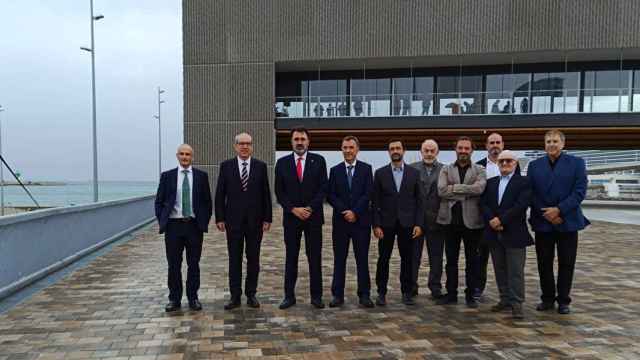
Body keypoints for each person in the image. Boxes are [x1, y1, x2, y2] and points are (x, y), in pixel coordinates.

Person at [528, 129, 589, 315]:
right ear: (544, 144)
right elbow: (531, 193)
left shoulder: (577, 164)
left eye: (555, 141)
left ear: (563, 144)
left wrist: (559, 210)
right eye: (548, 141)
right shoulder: (534, 165)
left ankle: (563, 300)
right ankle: (547, 298)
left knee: (566, 262)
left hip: (567, 220)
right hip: (543, 221)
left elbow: (579, 191)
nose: (551, 144)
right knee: (544, 263)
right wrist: (548, 213)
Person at [214, 132, 272, 310]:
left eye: (248, 143)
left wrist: (267, 218)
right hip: (233, 222)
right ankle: (235, 296)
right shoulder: (226, 166)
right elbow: (219, 194)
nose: (245, 146)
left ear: (252, 146)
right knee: (235, 259)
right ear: (235, 146)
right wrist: (220, 217)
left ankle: (251, 294)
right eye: (241, 143)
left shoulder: (260, 166)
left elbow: (266, 194)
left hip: (255, 222)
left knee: (253, 259)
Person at [275, 127, 328, 309]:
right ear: (291, 142)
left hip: (313, 218)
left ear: (308, 141)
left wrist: (309, 208)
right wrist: (293, 209)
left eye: (302, 139)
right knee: (291, 257)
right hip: (291, 219)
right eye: (296, 139)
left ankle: (316, 296)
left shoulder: (319, 161)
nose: (299, 142)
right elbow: (279, 192)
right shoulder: (282, 163)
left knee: (315, 258)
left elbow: (323, 189)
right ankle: (289, 296)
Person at [155, 144, 212, 312]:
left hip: (194, 226)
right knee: (174, 264)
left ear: (192, 157)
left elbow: (207, 202)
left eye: (188, 154)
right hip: (173, 226)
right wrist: (162, 219)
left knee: (193, 264)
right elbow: (159, 201)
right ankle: (174, 299)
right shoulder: (167, 176)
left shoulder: (202, 176)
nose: (185, 157)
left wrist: (204, 220)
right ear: (177, 156)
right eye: (182, 154)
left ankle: (193, 298)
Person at [480, 150, 533, 319]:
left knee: (516, 270)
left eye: (509, 161)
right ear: (497, 164)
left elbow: (521, 205)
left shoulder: (524, 182)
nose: (504, 164)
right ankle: (505, 299)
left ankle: (517, 303)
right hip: (494, 233)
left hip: (515, 233)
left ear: (515, 163)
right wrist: (492, 220)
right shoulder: (490, 182)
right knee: (500, 269)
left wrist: (501, 220)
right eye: (502, 161)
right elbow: (484, 204)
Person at [436, 136, 486, 308]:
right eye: (460, 148)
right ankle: (451, 294)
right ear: (455, 149)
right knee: (451, 261)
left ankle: (471, 295)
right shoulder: (446, 169)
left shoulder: (479, 169)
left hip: (473, 223)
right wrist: (467, 191)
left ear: (472, 150)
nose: (463, 151)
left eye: (467, 148)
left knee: (473, 261)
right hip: (450, 222)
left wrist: (455, 188)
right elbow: (441, 191)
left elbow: (480, 189)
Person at [372, 140, 424, 306]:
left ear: (404, 150)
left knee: (407, 259)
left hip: (407, 223)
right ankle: (381, 292)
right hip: (386, 224)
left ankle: (407, 292)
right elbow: (375, 202)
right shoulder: (380, 173)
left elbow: (419, 201)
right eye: (392, 148)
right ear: (388, 152)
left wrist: (418, 224)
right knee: (383, 259)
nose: (395, 151)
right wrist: (376, 225)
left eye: (398, 148)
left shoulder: (414, 173)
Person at [327, 136, 374, 308]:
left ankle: (364, 295)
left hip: (361, 222)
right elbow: (331, 195)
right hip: (341, 223)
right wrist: (344, 211)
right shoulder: (335, 170)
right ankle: (337, 295)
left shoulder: (366, 169)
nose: (347, 150)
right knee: (339, 259)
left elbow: (368, 193)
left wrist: (355, 211)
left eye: (351, 147)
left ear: (357, 149)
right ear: (342, 149)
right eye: (345, 147)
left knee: (362, 259)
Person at [475, 133, 521, 300]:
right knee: (480, 257)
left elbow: (517, 194)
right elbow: (479, 196)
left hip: (507, 222)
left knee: (506, 261)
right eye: (491, 142)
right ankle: (478, 288)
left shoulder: (513, 165)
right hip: (484, 220)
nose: (495, 145)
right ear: (486, 146)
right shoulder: (478, 166)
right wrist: (490, 218)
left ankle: (509, 295)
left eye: (497, 142)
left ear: (502, 144)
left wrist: (503, 219)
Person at [410, 139, 445, 300]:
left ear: (437, 152)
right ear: (421, 151)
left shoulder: (445, 170)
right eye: (426, 150)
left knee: (436, 256)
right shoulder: (412, 169)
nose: (429, 153)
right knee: (413, 255)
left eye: (432, 150)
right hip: (415, 220)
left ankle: (435, 286)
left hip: (437, 220)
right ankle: (411, 286)